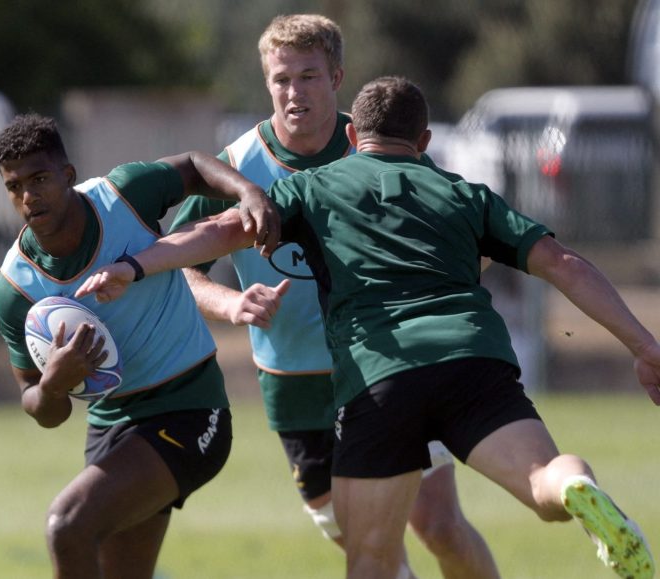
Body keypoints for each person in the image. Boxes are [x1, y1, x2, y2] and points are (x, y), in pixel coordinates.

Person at [77, 77, 659, 579]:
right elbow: (563, 264)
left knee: (373, 561)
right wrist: (645, 347)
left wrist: (134, 265)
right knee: (541, 482)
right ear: (424, 143)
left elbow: (222, 231)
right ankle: (578, 488)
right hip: (475, 363)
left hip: (379, 380)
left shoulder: (313, 187)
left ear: (353, 137)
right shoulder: (463, 193)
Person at [168, 14, 497, 578]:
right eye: (281, 79)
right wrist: (230, 305)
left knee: (439, 525)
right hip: (296, 388)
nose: (294, 92)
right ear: (266, 82)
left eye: (309, 76)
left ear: (337, 76)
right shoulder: (237, 168)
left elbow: (462, 234)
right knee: (368, 552)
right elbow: (180, 269)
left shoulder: (386, 150)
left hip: (389, 369)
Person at [0, 113, 279, 579]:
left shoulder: (122, 196)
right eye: (14, 185)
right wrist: (54, 386)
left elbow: (192, 166)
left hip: (188, 410)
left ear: (68, 175)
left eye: (40, 179)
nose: (28, 196)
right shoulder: (16, 289)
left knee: (67, 526)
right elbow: (41, 407)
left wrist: (250, 192)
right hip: (110, 428)